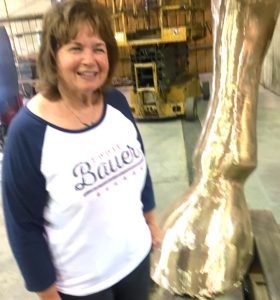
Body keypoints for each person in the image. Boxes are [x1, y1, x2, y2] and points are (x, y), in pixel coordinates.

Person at [2, 1, 161, 299]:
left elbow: (140, 164)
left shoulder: (116, 103)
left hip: (135, 260)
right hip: (83, 286)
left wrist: (151, 219)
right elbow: (23, 226)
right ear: (53, 56)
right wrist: (46, 293)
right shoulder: (28, 133)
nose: (89, 60)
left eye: (98, 48)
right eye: (75, 48)